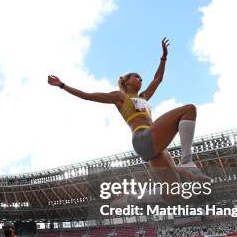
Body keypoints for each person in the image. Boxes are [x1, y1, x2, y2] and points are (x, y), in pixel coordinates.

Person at [48, 38, 210, 203]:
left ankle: (132, 198)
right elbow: (87, 96)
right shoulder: (120, 97)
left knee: (173, 193)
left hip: (154, 145)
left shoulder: (144, 97)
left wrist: (164, 57)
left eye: (141, 78)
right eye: (136, 77)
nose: (140, 79)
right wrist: (62, 85)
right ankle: (187, 161)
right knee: (189, 110)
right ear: (126, 81)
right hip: (142, 137)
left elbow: (157, 79)